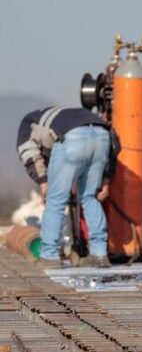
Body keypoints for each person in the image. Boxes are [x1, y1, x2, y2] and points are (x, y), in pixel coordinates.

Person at [17, 107, 116, 268]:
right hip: (103, 136)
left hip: (71, 138)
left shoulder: (28, 125)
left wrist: (43, 181)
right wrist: (106, 178)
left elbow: (30, 156)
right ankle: (99, 254)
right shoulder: (68, 115)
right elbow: (114, 145)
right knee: (90, 197)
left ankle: (49, 256)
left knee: (55, 200)